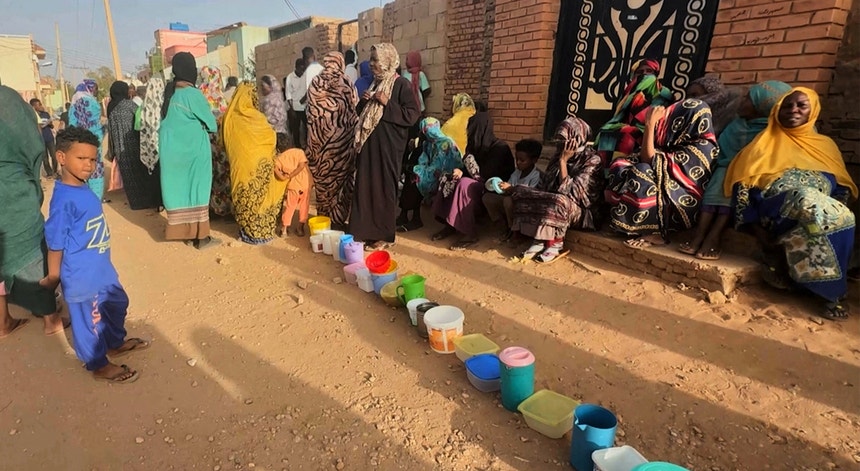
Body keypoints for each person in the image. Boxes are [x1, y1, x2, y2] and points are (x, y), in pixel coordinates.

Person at [724, 87, 857, 321]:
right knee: (807, 201)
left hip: (819, 208)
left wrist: (834, 206)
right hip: (775, 209)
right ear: (777, 111)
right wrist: (756, 230)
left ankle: (809, 280)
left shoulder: (825, 146)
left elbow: (840, 188)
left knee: (843, 217)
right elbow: (743, 189)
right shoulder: (763, 143)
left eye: (801, 105)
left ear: (812, 111)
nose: (793, 110)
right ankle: (830, 294)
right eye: (787, 106)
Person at [41, 127, 150, 383]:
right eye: (81, 158)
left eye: (92, 159)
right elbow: (55, 242)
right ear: (61, 157)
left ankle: (114, 343)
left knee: (117, 303)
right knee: (90, 321)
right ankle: (98, 364)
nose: (88, 165)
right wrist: (54, 276)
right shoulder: (64, 200)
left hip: (101, 269)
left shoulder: (83, 187)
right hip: (81, 276)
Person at [679, 80, 792, 260]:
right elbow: (719, 148)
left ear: (762, 106)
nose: (742, 101)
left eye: (748, 100)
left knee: (729, 193)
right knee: (715, 189)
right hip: (722, 167)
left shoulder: (770, 132)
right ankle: (699, 235)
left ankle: (713, 237)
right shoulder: (736, 124)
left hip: (747, 174)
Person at [0, 85, 68, 339]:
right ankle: (51, 318)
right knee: (32, 251)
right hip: (11, 191)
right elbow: (29, 140)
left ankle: (3, 321)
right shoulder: (6, 100)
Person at [605, 98, 718, 246]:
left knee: (642, 171)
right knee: (621, 166)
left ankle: (655, 232)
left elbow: (649, 159)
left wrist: (650, 124)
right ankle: (629, 224)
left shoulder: (704, 147)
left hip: (682, 206)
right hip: (666, 195)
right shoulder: (678, 140)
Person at [350, 43, 421, 249]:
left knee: (383, 189)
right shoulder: (375, 83)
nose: (371, 64)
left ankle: (383, 235)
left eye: (376, 60)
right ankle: (364, 231)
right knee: (365, 186)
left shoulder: (401, 84)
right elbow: (365, 115)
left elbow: (412, 115)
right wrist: (364, 102)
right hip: (370, 146)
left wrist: (386, 102)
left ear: (387, 61)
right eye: (371, 59)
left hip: (389, 148)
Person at [512, 117, 604, 263]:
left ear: (577, 138)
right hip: (555, 202)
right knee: (521, 191)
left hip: (583, 212)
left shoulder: (592, 160)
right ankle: (539, 240)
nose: (561, 144)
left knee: (558, 201)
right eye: (559, 140)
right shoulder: (557, 155)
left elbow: (572, 194)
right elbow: (546, 185)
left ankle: (555, 245)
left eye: (564, 140)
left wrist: (563, 162)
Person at [159, 52, 219, 249]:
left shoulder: (169, 94)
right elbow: (212, 125)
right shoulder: (193, 95)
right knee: (198, 191)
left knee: (181, 192)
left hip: (172, 155)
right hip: (194, 154)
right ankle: (202, 237)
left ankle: (185, 232)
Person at [222, 83, 288, 244]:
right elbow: (271, 137)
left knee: (244, 196)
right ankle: (261, 232)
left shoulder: (229, 119)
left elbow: (225, 142)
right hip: (260, 167)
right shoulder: (258, 119)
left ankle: (247, 231)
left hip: (241, 169)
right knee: (262, 196)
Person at [306, 52, 359, 228]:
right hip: (341, 147)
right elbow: (354, 112)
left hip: (320, 148)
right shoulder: (346, 83)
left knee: (324, 184)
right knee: (341, 183)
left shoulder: (315, 83)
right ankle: (338, 220)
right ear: (340, 63)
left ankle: (324, 221)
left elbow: (310, 116)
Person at [594, 58, 674, 166]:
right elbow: (620, 116)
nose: (644, 74)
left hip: (648, 133)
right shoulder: (628, 93)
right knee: (604, 132)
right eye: (640, 72)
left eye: (649, 71)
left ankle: (619, 168)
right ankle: (604, 170)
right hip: (624, 127)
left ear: (655, 74)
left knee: (627, 134)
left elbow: (655, 118)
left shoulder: (663, 93)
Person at [106, 80, 161, 210]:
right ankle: (147, 201)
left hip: (119, 147)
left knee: (128, 176)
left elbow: (111, 131)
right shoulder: (130, 105)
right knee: (141, 174)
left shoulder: (111, 108)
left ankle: (136, 203)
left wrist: (112, 150)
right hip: (134, 145)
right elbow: (140, 122)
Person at [404, 117, 462, 231]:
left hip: (447, 175)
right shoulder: (428, 143)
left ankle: (415, 218)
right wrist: (419, 168)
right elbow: (424, 159)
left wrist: (419, 170)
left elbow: (443, 165)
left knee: (416, 177)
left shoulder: (446, 142)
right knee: (413, 176)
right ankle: (408, 214)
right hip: (431, 173)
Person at [483, 138, 543, 240]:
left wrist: (511, 189)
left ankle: (514, 231)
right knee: (487, 198)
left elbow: (530, 195)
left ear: (534, 160)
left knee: (508, 201)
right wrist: (500, 187)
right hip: (511, 203)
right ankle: (502, 226)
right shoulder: (517, 172)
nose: (518, 162)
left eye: (522, 160)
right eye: (516, 159)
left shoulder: (536, 176)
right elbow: (509, 187)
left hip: (525, 208)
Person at [69, 79, 106, 199]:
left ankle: (84, 198)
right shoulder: (92, 102)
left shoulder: (74, 103)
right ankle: (96, 198)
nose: (96, 91)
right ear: (89, 88)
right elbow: (96, 123)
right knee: (95, 169)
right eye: (95, 88)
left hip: (78, 142)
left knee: (81, 168)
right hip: (94, 142)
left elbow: (72, 124)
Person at [464, 98, 515, 182]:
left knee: (464, 183)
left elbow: (484, 177)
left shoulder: (500, 149)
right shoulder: (473, 148)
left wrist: (468, 160)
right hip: (479, 186)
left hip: (496, 187)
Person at [274, 132, 311, 237]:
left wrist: (285, 177)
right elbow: (302, 165)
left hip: (293, 187)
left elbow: (275, 169)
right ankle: (300, 228)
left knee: (290, 207)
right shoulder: (299, 152)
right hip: (305, 184)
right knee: (304, 206)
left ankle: (284, 229)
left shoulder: (279, 158)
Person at [138, 78, 165, 205]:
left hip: (149, 145)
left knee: (153, 174)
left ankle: (156, 201)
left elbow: (139, 126)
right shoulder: (165, 104)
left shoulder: (143, 107)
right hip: (163, 145)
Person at [29, 98, 59, 179]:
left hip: (49, 138)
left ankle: (55, 172)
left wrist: (50, 123)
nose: (41, 106)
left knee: (54, 156)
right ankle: (49, 173)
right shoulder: (32, 116)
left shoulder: (45, 114)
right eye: (39, 105)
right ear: (34, 106)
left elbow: (52, 126)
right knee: (45, 158)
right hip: (41, 140)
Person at [286, 59, 308, 148]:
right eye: (300, 69)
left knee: (307, 127)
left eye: (303, 69)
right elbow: (288, 94)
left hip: (305, 107)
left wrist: (305, 98)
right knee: (296, 129)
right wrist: (291, 109)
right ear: (296, 67)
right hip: (295, 108)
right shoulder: (290, 77)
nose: (302, 72)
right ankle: (298, 147)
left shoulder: (305, 75)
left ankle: (308, 145)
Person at [401, 50, 431, 115]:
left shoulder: (420, 74)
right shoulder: (404, 73)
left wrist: (417, 96)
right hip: (407, 106)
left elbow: (426, 90)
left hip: (419, 107)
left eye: (408, 59)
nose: (406, 62)